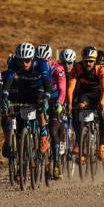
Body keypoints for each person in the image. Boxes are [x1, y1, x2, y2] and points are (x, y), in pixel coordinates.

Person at [0, 41, 54, 164]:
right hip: (23, 88)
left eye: (27, 60)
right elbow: (8, 81)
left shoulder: (41, 64)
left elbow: (48, 84)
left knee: (39, 104)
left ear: (32, 58)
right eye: (21, 60)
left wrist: (46, 98)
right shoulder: (14, 63)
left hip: (39, 88)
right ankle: (21, 162)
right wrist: (4, 96)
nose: (24, 64)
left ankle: (44, 135)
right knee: (19, 118)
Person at [67, 46, 104, 162]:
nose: (88, 64)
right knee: (76, 110)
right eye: (86, 61)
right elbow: (70, 88)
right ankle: (80, 141)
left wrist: (102, 103)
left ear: (95, 61)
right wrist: (70, 104)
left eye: (91, 61)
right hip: (85, 94)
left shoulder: (101, 69)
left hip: (99, 94)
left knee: (102, 115)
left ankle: (101, 144)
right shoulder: (77, 68)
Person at [37, 43, 67, 178]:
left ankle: (56, 164)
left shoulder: (58, 68)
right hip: (41, 97)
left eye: (46, 60)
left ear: (50, 58)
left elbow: (62, 88)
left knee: (54, 130)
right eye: (39, 60)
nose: (43, 63)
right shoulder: (36, 67)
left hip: (55, 98)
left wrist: (60, 103)